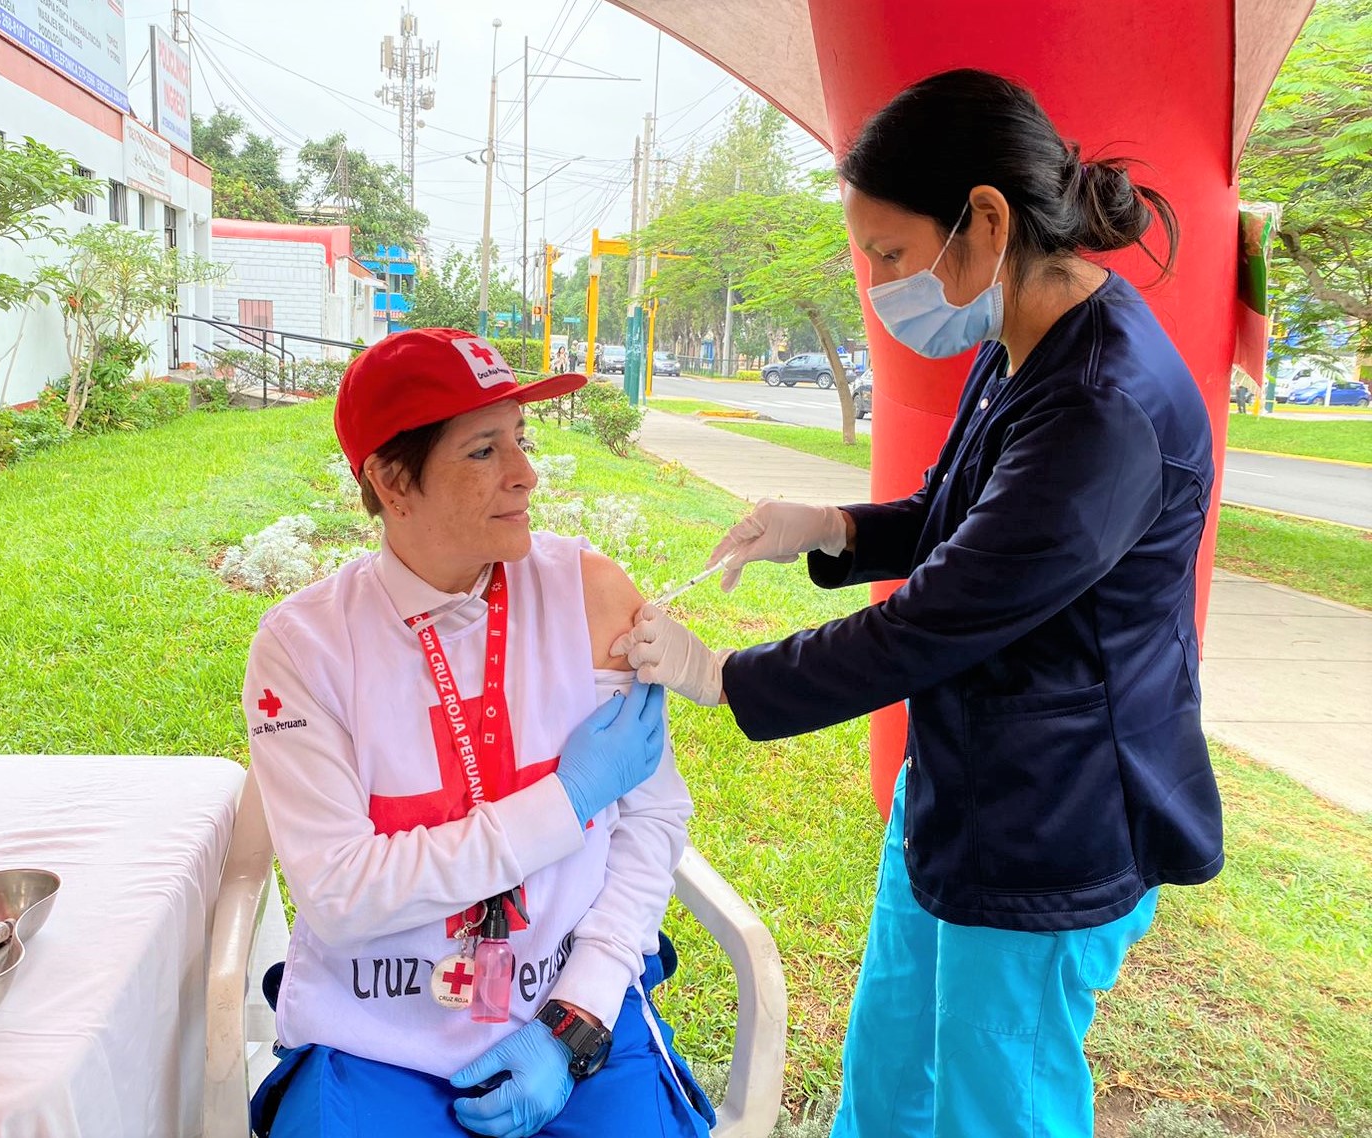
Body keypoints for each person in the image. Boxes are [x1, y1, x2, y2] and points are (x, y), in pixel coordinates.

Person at [612, 69, 1223, 1138]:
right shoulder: (1022, 347)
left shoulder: (1102, 404)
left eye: (891, 255)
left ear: (982, 220)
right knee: (890, 1069)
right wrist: (830, 525)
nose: (883, 284)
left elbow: (936, 618)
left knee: (993, 1101)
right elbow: (960, 520)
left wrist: (721, 674)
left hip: (1052, 821)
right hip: (962, 788)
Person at [242, 327, 712, 1138]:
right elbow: (343, 894)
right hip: (378, 1026)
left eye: (521, 441)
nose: (526, 475)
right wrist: (564, 801)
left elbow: (652, 818)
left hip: (570, 999)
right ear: (393, 480)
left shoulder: (587, 593)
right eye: (483, 451)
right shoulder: (304, 646)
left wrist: (579, 1018)